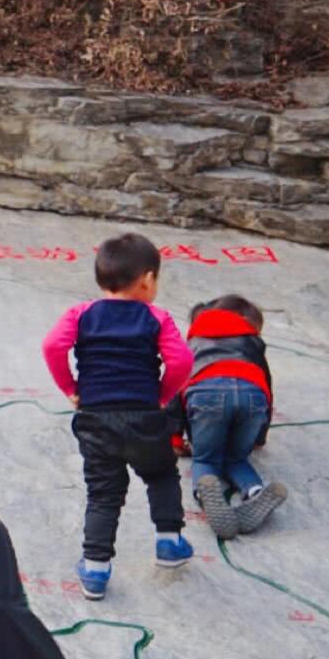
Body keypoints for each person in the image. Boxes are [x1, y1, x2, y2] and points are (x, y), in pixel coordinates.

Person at [42, 233, 194, 600]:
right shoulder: (156, 317)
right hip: (145, 416)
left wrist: (70, 388)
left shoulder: (80, 315)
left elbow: (52, 346)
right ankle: (169, 543)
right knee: (160, 475)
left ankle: (95, 570)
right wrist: (162, 395)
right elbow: (182, 361)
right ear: (147, 279)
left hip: (95, 417)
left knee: (104, 494)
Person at [177, 294, 284, 539]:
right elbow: (267, 385)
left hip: (207, 394)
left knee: (205, 459)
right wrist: (260, 435)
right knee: (237, 459)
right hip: (252, 396)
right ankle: (255, 492)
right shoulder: (252, 342)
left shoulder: (192, 343)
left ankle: (207, 494)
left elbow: (174, 391)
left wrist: (174, 438)